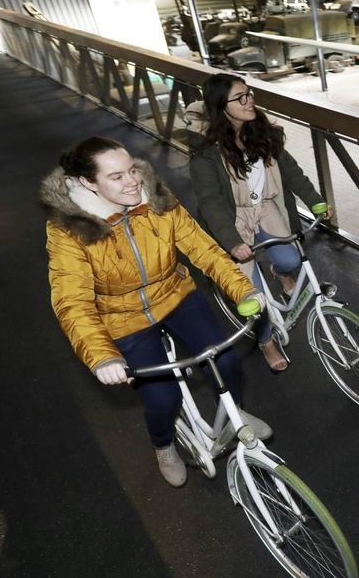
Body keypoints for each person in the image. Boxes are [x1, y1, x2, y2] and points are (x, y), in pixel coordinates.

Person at [42, 136, 271, 487]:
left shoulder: (158, 201)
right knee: (164, 399)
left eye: (131, 169)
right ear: (89, 183)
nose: (132, 181)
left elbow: (203, 249)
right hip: (122, 318)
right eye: (116, 177)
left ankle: (235, 412)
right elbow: (72, 301)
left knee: (225, 361)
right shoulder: (69, 231)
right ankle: (163, 445)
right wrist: (103, 357)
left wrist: (243, 289)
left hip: (174, 294)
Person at [190, 73, 329, 372]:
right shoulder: (206, 155)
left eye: (249, 93)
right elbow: (211, 203)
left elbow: (291, 172)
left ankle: (282, 275)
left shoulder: (263, 134)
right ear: (221, 106)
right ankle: (265, 341)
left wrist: (315, 200)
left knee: (291, 259)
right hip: (232, 218)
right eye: (240, 97)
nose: (249, 99)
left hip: (266, 207)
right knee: (254, 297)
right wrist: (233, 243)